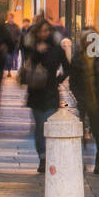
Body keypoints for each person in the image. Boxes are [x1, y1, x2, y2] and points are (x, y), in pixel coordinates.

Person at [20, 17, 68, 173]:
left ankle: (50, 156)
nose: (43, 33)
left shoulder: (57, 48)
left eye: (46, 31)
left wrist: (57, 80)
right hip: (36, 92)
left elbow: (67, 67)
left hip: (51, 93)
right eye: (41, 31)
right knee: (40, 126)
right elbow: (27, 65)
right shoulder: (32, 47)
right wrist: (37, 53)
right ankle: (42, 156)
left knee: (50, 126)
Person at [68, 29, 99, 174]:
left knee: (98, 132)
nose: (90, 43)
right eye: (87, 40)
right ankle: (81, 161)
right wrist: (79, 97)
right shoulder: (78, 58)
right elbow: (73, 82)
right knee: (80, 133)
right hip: (84, 100)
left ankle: (98, 163)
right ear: (83, 42)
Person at [4, 12, 20, 76]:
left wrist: (18, 44)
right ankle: (9, 70)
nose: (9, 19)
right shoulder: (5, 26)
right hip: (7, 46)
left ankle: (14, 70)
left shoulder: (16, 26)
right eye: (8, 18)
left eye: (10, 18)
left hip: (15, 46)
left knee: (15, 58)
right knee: (8, 59)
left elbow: (19, 36)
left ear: (12, 18)